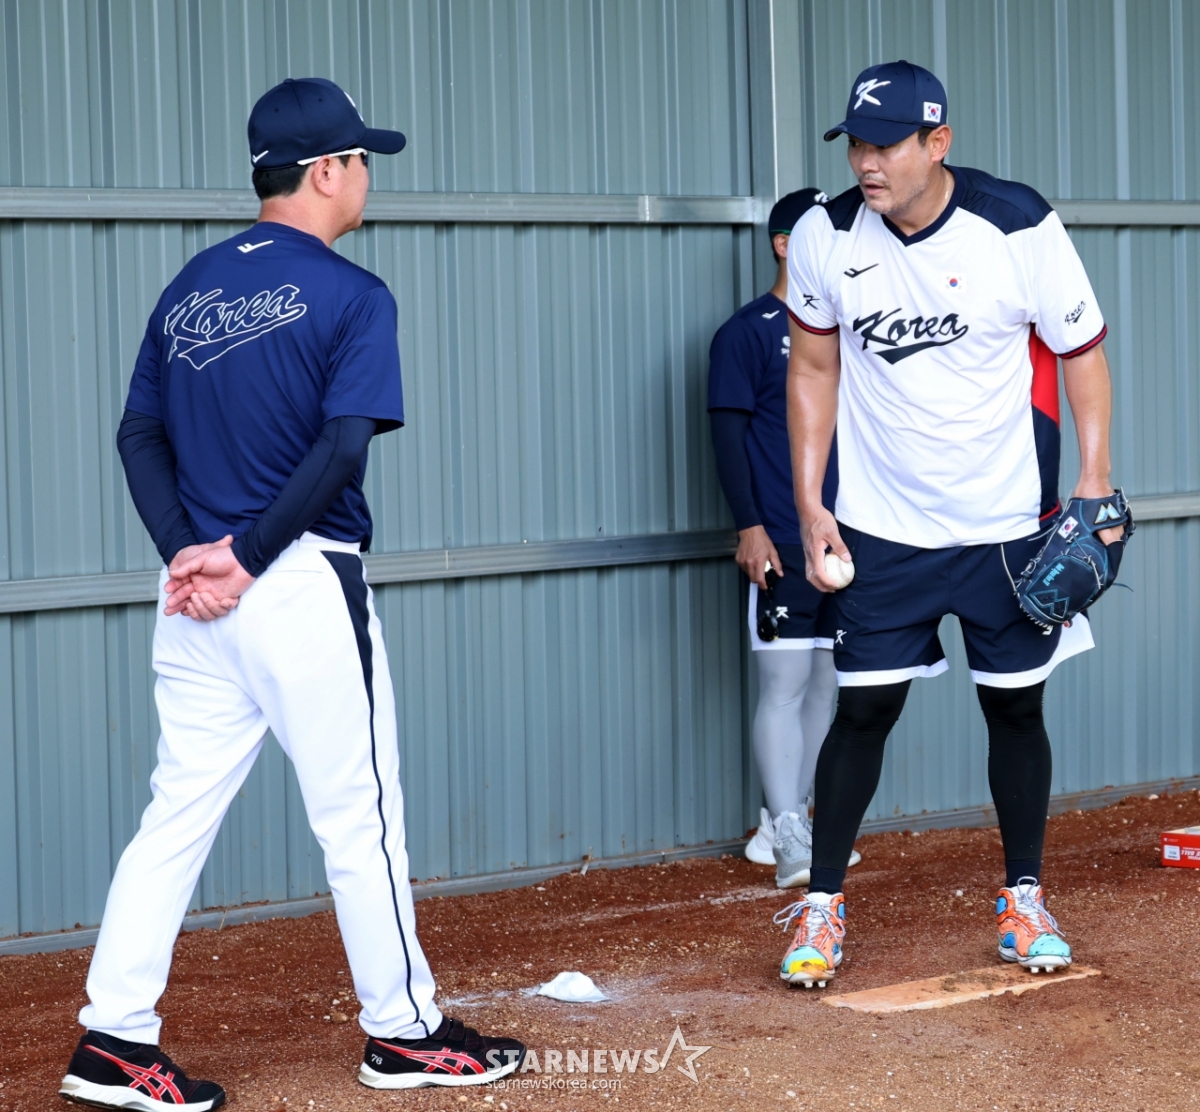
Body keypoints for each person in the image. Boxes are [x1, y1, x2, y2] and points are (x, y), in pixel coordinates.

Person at [60, 78, 525, 1109]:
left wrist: (188, 552)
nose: (367, 175)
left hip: (194, 596)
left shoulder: (190, 284)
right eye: (361, 159)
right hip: (296, 578)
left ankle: (113, 1039)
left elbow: (137, 433)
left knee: (174, 814)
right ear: (325, 172)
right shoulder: (355, 293)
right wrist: (249, 555)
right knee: (361, 819)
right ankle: (403, 1034)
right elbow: (344, 444)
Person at [774, 60, 1129, 987]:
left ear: (938, 142)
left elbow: (1082, 352)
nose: (867, 162)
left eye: (887, 144)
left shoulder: (1017, 224)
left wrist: (1092, 484)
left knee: (1015, 707)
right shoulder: (823, 235)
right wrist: (810, 504)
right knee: (863, 711)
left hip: (1006, 523)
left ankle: (1023, 900)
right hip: (881, 527)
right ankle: (821, 904)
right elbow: (812, 369)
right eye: (856, 144)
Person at [708, 189, 859, 889]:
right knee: (785, 683)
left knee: (829, 682)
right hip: (780, 540)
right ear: (783, 245)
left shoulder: (849, 328)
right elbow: (727, 436)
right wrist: (750, 527)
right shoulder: (746, 332)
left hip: (846, 540)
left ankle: (792, 822)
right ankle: (784, 827)